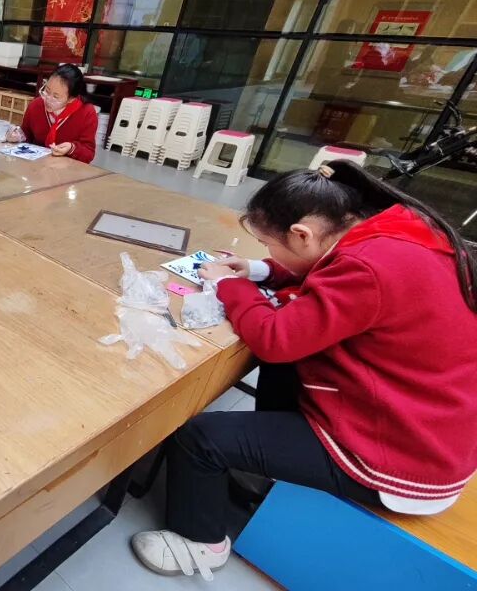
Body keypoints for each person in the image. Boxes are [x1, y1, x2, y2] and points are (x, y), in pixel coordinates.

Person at [131, 160, 477, 580]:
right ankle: (270, 462)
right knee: (284, 366)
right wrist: (261, 270)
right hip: (429, 421)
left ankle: (200, 542)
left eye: (268, 244)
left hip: (401, 456)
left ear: (302, 234)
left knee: (200, 437)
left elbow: (275, 339)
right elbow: (329, 276)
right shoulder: (393, 231)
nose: (267, 250)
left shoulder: (366, 268)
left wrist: (229, 285)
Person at [6, 64, 98, 163]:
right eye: (47, 91)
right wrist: (17, 135)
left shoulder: (87, 113)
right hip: (36, 165)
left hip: (67, 167)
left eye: (56, 97)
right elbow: (26, 134)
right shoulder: (36, 105)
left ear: (71, 99)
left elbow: (88, 153)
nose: (48, 99)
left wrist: (71, 148)